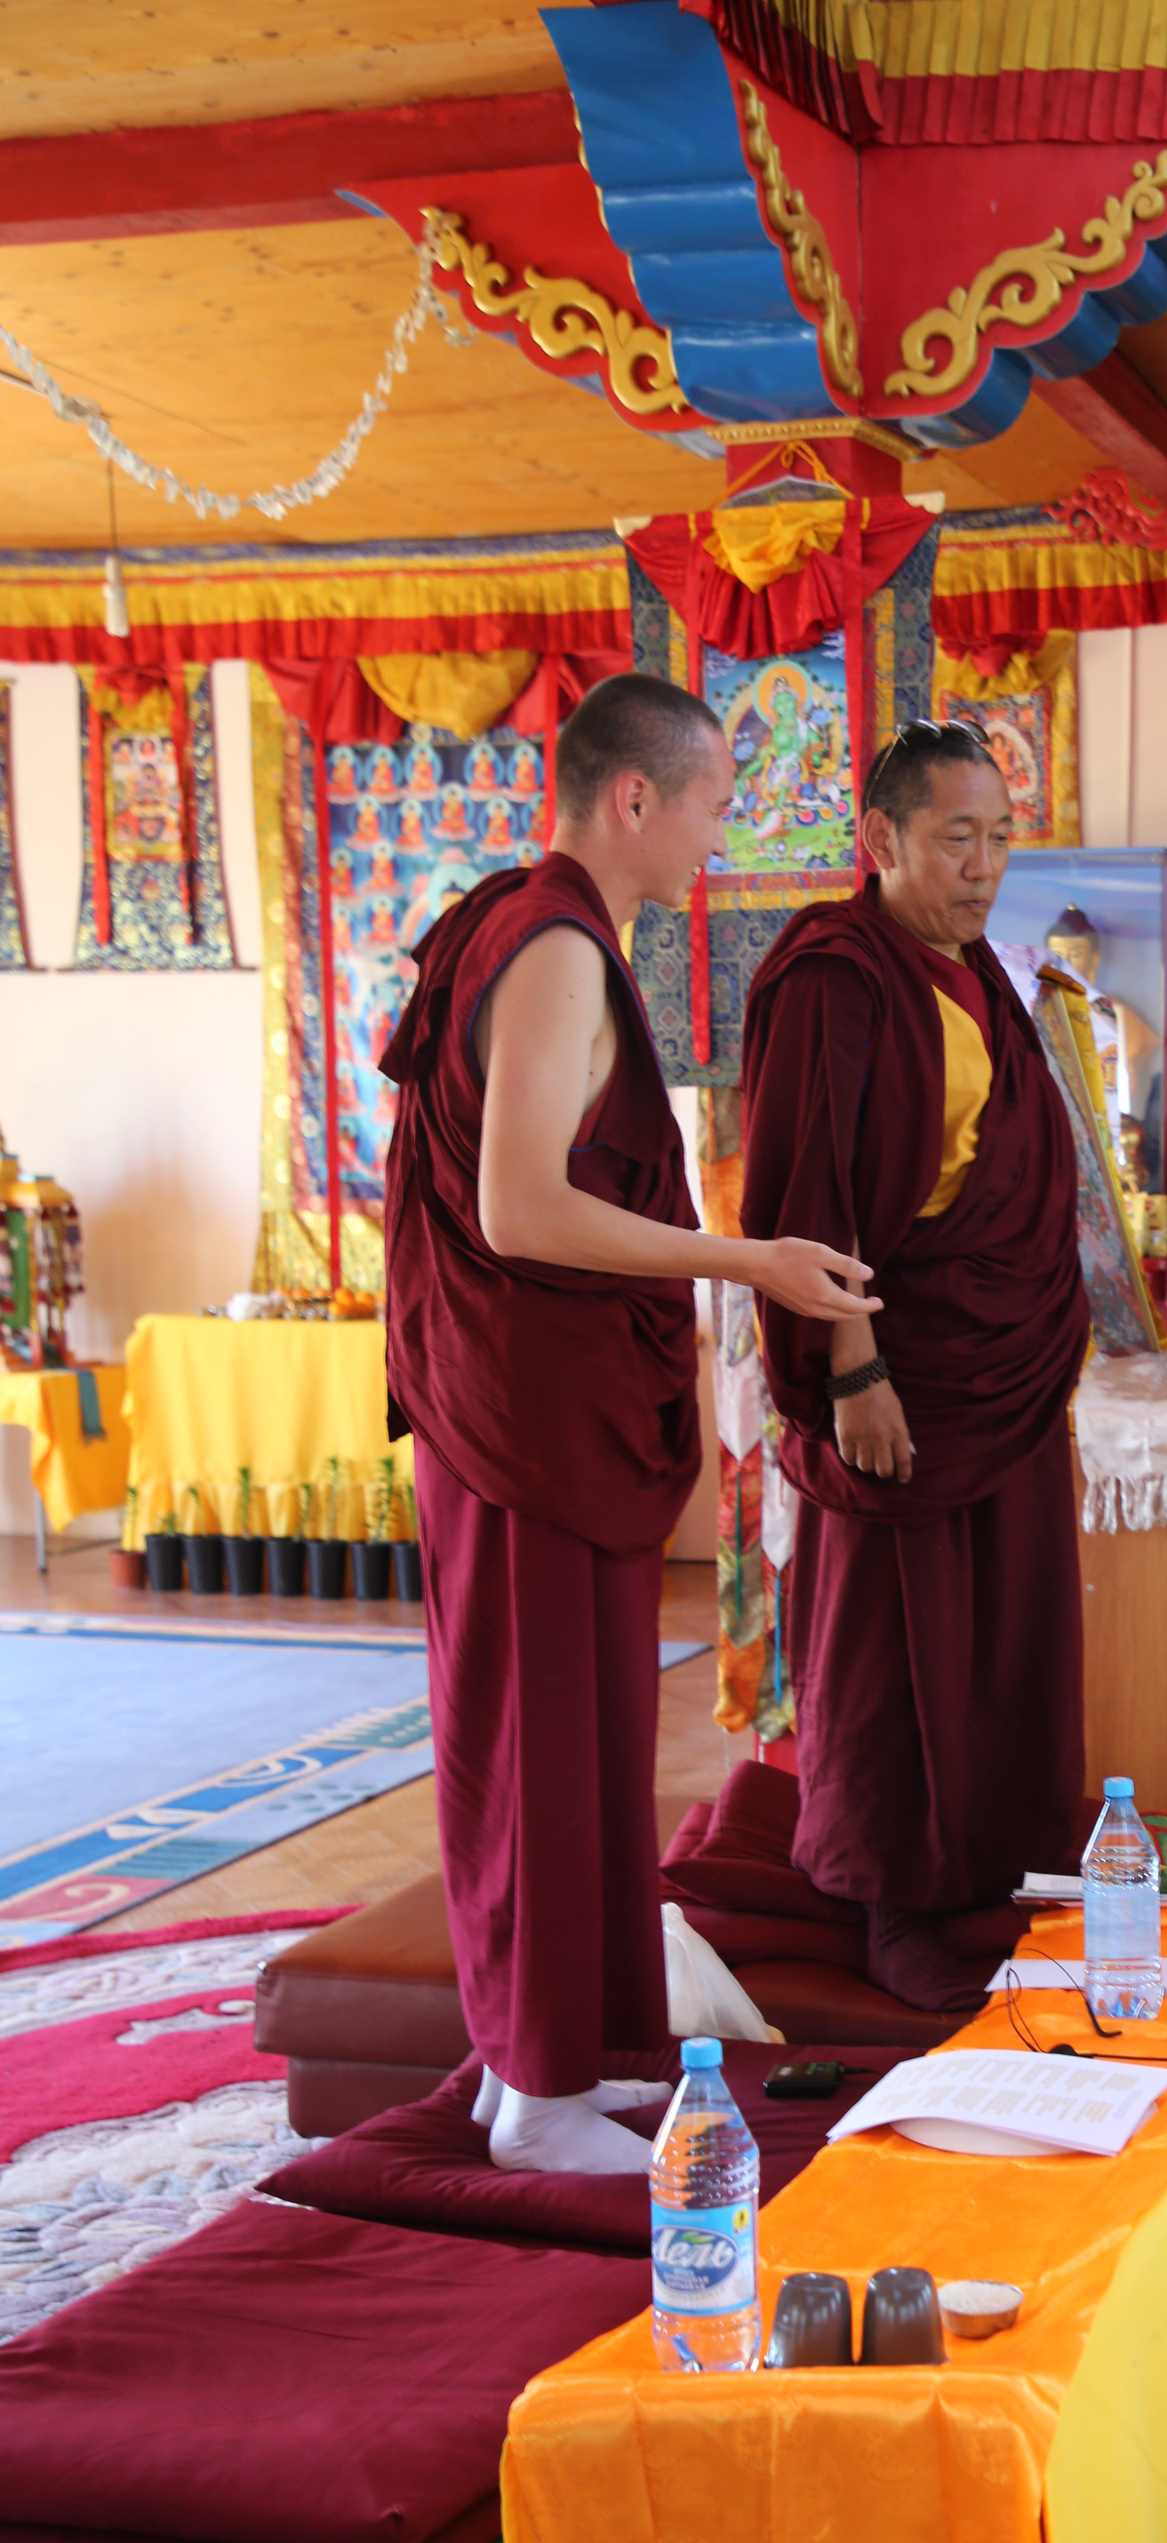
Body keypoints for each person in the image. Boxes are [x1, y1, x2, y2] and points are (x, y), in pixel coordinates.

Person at [381, 673, 877, 2174]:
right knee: (535, 1740)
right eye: (716, 801)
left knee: (579, 1738)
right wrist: (749, 1259)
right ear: (634, 799)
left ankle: (552, 2062)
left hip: (545, 1410)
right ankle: (532, 2092)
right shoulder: (548, 951)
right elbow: (519, 1204)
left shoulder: (541, 931)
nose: (723, 834)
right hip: (527, 1416)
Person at [740, 717, 1091, 2012]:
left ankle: (1001, 1875)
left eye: (1002, 839)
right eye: (959, 838)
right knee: (898, 1647)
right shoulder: (833, 976)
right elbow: (808, 1192)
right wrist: (852, 1372)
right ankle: (891, 1889)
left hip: (996, 1368)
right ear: (882, 838)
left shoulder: (979, 973)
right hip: (899, 1370)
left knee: (1009, 1640)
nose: (986, 865)